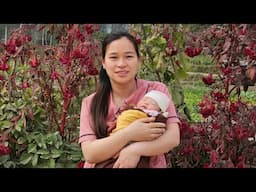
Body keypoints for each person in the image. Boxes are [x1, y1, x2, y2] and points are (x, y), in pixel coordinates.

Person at [79, 31, 180, 168]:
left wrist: (134, 150)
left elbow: (173, 138)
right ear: (103, 63)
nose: (121, 64)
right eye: (114, 57)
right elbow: (90, 153)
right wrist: (129, 133)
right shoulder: (90, 102)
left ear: (139, 60)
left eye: (128, 56)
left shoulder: (156, 91)